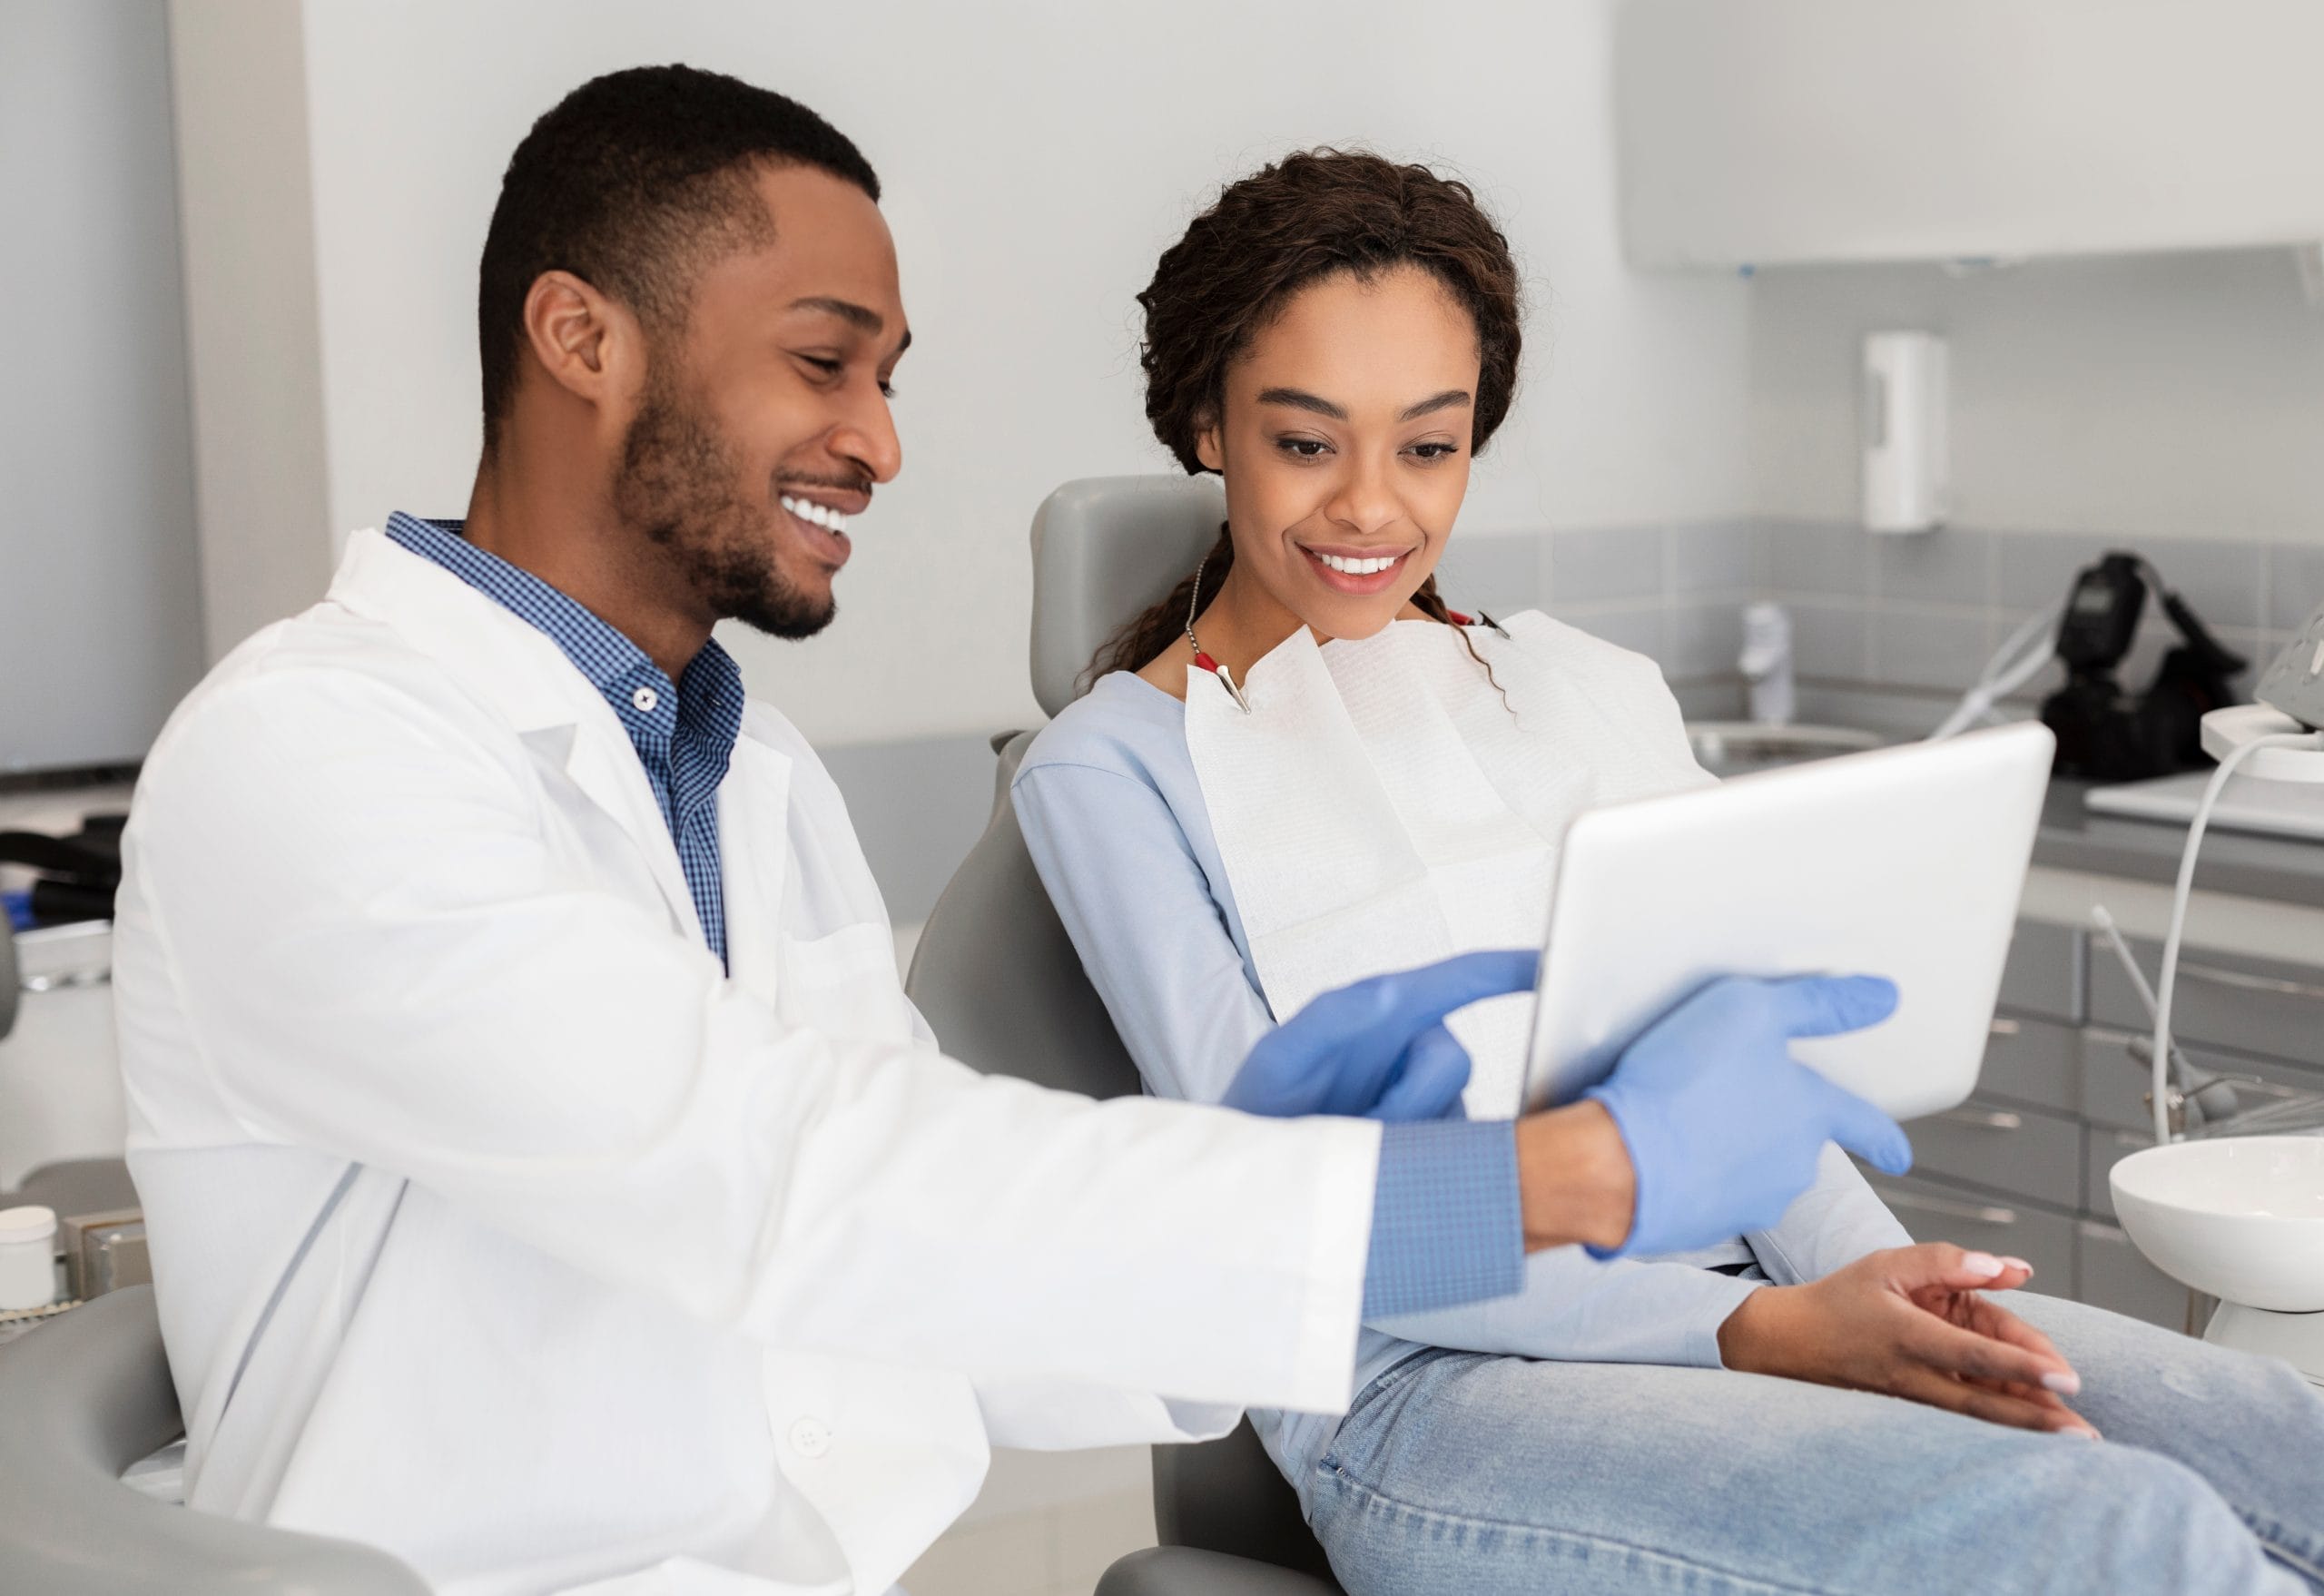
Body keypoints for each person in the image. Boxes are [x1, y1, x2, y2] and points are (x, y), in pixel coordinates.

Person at [112, 68, 1913, 1596]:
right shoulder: (318, 755)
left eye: (888, 375)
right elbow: (804, 1188)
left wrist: (1277, 1179)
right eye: (825, 364)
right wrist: (1554, 1178)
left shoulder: (751, 782)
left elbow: (931, 1305)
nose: (880, 443)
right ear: (581, 336)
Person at [1013, 148, 2324, 1596]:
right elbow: (1294, 1222)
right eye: (1308, 442)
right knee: (2122, 1535)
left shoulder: (1568, 693)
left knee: (2285, 1444)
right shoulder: (1116, 772)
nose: (1372, 507)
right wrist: (1762, 1334)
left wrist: (1882, 1297)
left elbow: (1738, 1050)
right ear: (1208, 423)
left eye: (1429, 445)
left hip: (1768, 1300)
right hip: (1440, 1393)